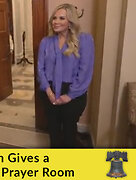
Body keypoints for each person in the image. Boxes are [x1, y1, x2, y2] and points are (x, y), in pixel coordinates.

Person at [37, 3, 94, 148]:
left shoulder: (85, 40)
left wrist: (69, 95)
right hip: (49, 91)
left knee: (69, 133)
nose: (56, 21)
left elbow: (85, 71)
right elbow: (40, 68)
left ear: (70, 22)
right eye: (54, 18)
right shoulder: (46, 42)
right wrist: (49, 92)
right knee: (53, 132)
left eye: (61, 18)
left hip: (73, 93)